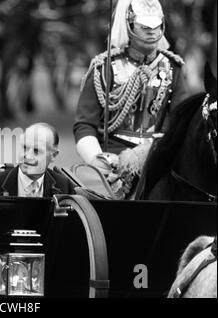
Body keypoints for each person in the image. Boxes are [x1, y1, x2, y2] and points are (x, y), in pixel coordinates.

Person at [73, 0, 189, 198]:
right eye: (144, 26)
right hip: (112, 160)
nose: (152, 32)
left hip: (159, 159)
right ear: (129, 24)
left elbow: (181, 124)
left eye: (156, 25)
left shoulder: (174, 68)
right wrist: (97, 159)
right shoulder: (104, 67)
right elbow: (84, 124)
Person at [0, 123, 75, 197]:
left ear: (53, 155)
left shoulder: (65, 188)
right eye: (24, 147)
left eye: (36, 151)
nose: (28, 156)